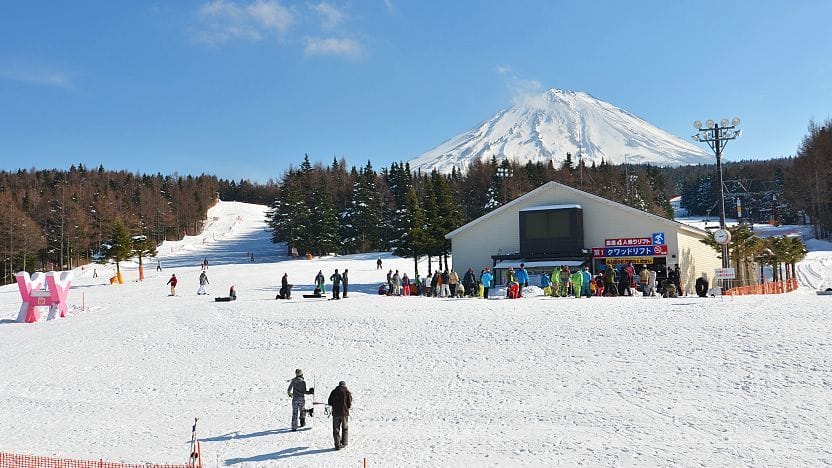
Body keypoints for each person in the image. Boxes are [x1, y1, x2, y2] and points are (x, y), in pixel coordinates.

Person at [328, 380, 352, 450]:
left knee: (336, 429)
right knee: (345, 428)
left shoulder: (334, 391)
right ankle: (344, 442)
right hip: (344, 413)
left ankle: (337, 445)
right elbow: (349, 404)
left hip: (335, 413)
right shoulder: (347, 392)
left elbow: (329, 402)